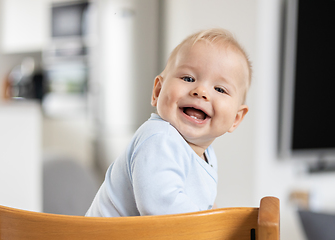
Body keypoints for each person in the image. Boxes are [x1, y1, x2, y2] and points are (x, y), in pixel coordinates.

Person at [86, 28, 251, 217]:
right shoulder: (159, 137)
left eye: (220, 89)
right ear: (158, 91)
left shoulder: (206, 155)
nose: (201, 91)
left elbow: (202, 207)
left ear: (236, 118)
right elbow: (160, 205)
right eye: (188, 78)